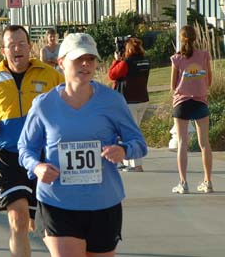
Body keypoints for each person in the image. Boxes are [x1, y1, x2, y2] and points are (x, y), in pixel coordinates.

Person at [18, 33, 147, 257]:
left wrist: (123, 150)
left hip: (103, 202)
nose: (85, 64)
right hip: (57, 201)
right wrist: (37, 167)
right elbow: (25, 149)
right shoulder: (43, 105)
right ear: (61, 62)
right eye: (78, 59)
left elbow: (138, 143)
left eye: (91, 58)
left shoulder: (112, 101)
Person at [0, 25, 64, 257]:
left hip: (45, 158)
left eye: (22, 44)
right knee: (18, 220)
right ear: (3, 50)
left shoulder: (51, 76)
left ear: (30, 47)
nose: (17, 49)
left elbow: (70, 101)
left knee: (46, 224)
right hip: (9, 158)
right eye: (12, 45)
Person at [170, 25, 213, 194]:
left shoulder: (176, 58)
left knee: (182, 143)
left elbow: (173, 85)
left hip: (182, 102)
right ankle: (208, 182)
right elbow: (208, 79)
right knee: (204, 143)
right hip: (200, 101)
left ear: (181, 39)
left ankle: (183, 182)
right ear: (195, 38)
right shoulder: (204, 56)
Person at [108, 37, 150, 172]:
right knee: (134, 129)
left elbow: (112, 74)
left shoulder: (127, 62)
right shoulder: (145, 61)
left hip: (130, 101)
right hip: (143, 99)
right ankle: (130, 162)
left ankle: (136, 164)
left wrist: (116, 60)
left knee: (131, 132)